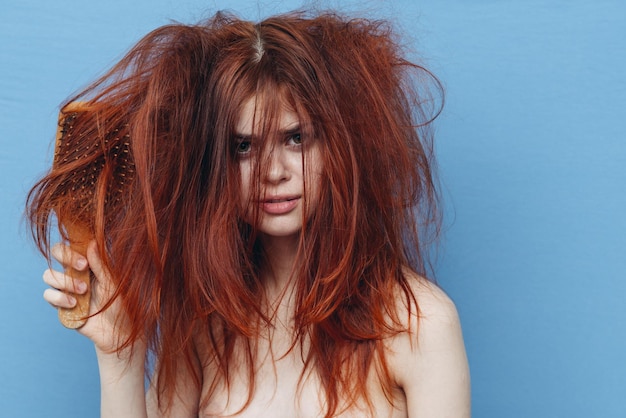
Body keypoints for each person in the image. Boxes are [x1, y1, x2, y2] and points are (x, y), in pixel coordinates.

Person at [27, 10, 470, 418]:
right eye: (243, 147)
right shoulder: (205, 320)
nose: (272, 173)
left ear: (343, 144)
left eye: (295, 138)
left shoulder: (421, 324)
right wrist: (120, 357)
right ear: (213, 162)